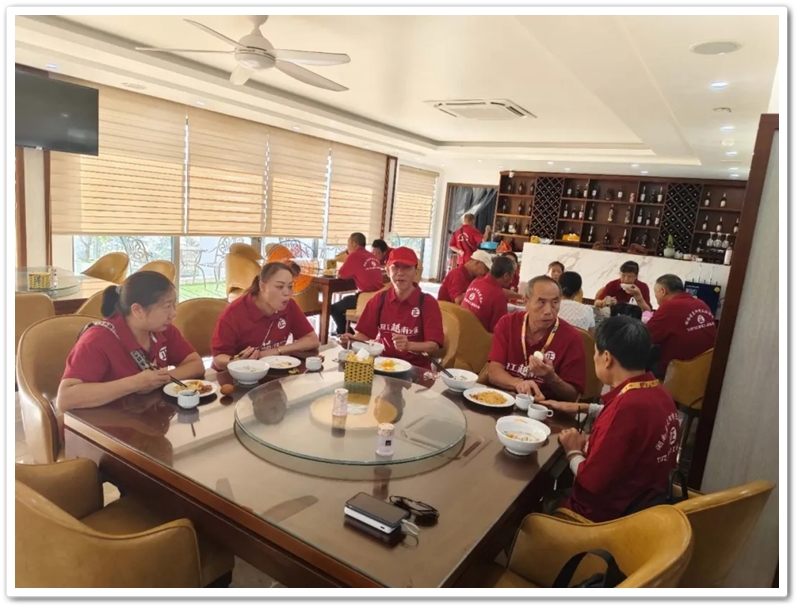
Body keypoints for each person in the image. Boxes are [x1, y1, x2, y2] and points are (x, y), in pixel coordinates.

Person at [540, 316, 681, 523]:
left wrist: (573, 450)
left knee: (536, 499)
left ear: (607, 358)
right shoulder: (661, 393)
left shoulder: (625, 409)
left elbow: (590, 481)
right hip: (647, 506)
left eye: (595, 352)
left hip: (605, 518)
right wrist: (584, 408)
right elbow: (636, 423)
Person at [56, 271, 204, 412]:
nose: (174, 313)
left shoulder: (162, 329)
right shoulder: (97, 340)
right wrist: (136, 383)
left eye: (174, 305)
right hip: (102, 423)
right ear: (137, 310)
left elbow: (195, 364)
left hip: (147, 418)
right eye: (167, 306)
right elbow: (65, 399)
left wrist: (159, 380)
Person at [341, 247, 444, 370]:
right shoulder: (380, 299)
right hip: (383, 365)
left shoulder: (427, 302)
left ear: (416, 272)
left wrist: (409, 345)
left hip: (416, 369)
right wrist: (351, 340)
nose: (400, 273)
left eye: (407, 267)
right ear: (387, 270)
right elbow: (364, 335)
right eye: (395, 267)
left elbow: (434, 345)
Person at [487, 276, 585, 401]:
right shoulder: (508, 323)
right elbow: (493, 371)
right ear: (525, 301)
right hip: (504, 399)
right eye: (541, 302)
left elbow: (573, 395)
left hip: (544, 406)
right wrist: (517, 383)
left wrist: (551, 377)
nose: (548, 311)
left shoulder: (571, 337)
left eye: (555, 302)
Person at [211, 262, 320, 370]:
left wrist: (276, 351)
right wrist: (238, 362)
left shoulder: (289, 306)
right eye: (279, 286)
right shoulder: (234, 313)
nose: (287, 293)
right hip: (235, 374)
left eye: (290, 286)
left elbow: (312, 339)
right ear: (262, 286)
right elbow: (218, 359)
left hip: (273, 371)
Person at [646, 274, 717, 376]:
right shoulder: (701, 303)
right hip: (705, 367)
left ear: (663, 291)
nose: (655, 296)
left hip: (679, 370)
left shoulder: (669, 307)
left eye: (655, 292)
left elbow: (645, 336)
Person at [330, 232, 385, 335]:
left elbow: (341, 275)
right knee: (345, 301)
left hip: (366, 298)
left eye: (348, 244)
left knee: (334, 308)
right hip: (380, 296)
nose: (347, 247)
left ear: (354, 244)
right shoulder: (372, 256)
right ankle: (341, 330)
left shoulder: (354, 256)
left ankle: (348, 334)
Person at [461, 256, 516, 333]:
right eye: (513, 274)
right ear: (506, 276)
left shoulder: (476, 281)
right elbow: (498, 329)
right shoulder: (499, 296)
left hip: (462, 329)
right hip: (477, 336)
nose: (512, 280)